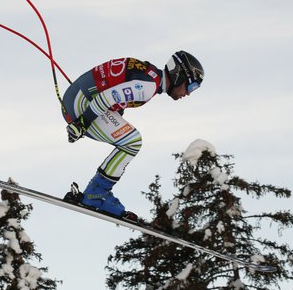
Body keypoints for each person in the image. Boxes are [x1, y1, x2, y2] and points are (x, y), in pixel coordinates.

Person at [62, 51, 204, 222]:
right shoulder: (148, 86)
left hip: (80, 99)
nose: (188, 93)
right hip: (83, 104)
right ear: (178, 75)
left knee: (129, 139)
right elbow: (107, 97)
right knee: (132, 142)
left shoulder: (149, 74)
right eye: (191, 87)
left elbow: (113, 87)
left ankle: (96, 192)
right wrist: (82, 123)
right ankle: (95, 194)